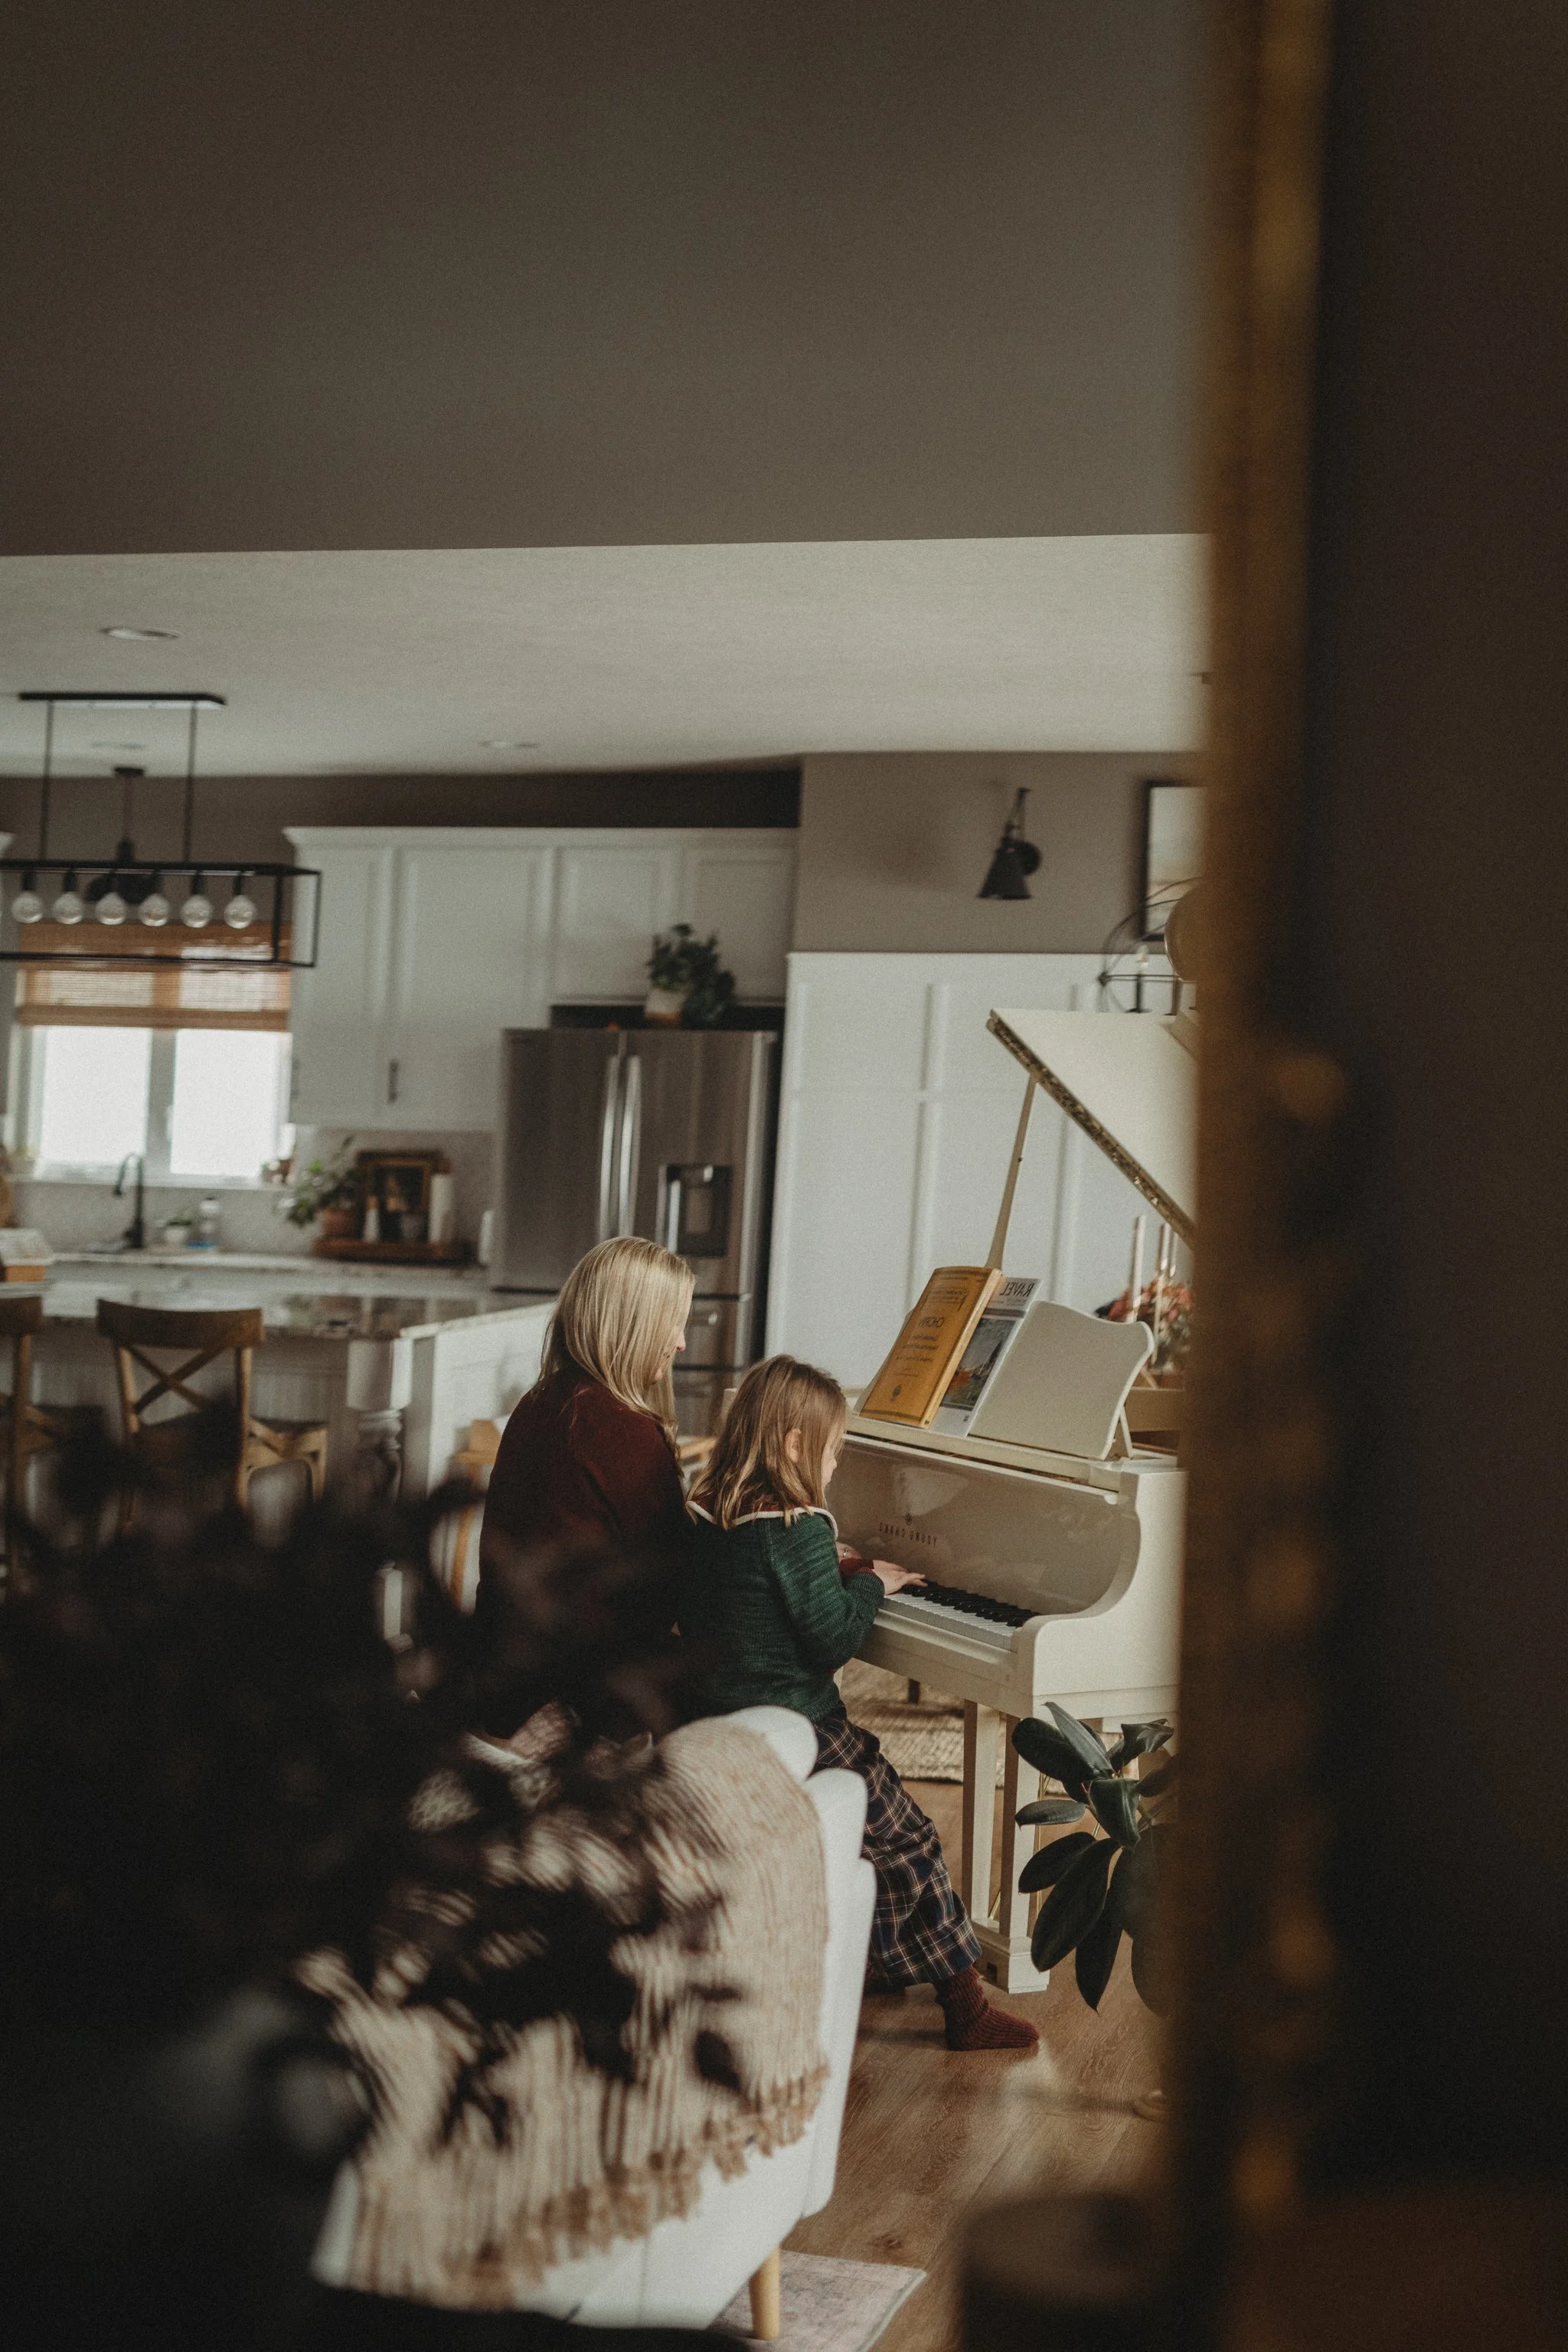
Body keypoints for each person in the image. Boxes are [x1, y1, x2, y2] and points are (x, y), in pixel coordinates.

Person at [679, 1354, 1039, 2054]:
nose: (838, 1464)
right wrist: (874, 1583)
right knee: (909, 1839)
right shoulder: (798, 1524)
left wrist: (838, 1564)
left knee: (875, 1837)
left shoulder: (709, 1509)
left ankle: (875, 1961)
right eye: (836, 1450)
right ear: (792, 1446)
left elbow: (764, 1586)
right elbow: (831, 1640)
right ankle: (966, 2007)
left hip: (715, 1723)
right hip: (795, 1728)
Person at [477, 1238, 695, 1725]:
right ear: (634, 1325)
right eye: (674, 1322)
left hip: (504, 1675)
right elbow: (674, 1586)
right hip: (585, 1694)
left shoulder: (538, 1403)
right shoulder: (622, 1429)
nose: (681, 1342)